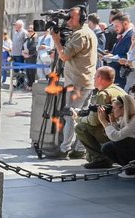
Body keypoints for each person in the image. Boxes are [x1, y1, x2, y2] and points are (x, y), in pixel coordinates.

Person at [46, 6, 97, 160]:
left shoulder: (80, 35)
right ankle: (79, 149)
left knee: (70, 116)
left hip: (77, 82)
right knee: (81, 117)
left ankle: (64, 149)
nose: (68, 20)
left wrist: (56, 40)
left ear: (81, 18)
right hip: (85, 81)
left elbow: (64, 56)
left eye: (71, 17)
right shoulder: (87, 33)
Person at [75, 66, 126, 169]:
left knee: (80, 127)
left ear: (99, 78)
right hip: (125, 131)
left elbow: (95, 121)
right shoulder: (118, 89)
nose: (93, 79)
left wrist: (77, 118)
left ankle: (101, 159)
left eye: (94, 77)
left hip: (118, 133)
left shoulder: (103, 94)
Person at [98, 94, 135, 178]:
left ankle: (132, 171)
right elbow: (118, 134)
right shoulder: (125, 117)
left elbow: (117, 137)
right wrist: (113, 121)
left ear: (124, 108)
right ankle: (128, 167)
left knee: (121, 142)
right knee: (107, 147)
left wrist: (104, 122)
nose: (112, 111)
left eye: (114, 108)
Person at [105, 13, 133, 88]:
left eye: (117, 26)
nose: (115, 28)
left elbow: (131, 57)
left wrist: (115, 58)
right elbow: (120, 52)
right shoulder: (122, 36)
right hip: (118, 78)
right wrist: (110, 55)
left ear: (125, 23)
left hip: (125, 80)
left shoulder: (131, 37)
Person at [11, 20, 26, 85]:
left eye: (16, 25)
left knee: (20, 69)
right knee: (15, 69)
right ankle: (17, 82)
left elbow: (26, 43)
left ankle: (20, 83)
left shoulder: (24, 32)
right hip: (14, 54)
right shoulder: (15, 32)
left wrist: (24, 51)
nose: (14, 26)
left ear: (20, 25)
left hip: (20, 54)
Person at [23, 25, 37, 90]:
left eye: (31, 31)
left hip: (32, 58)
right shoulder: (26, 39)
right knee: (27, 72)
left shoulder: (35, 39)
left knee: (32, 72)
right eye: (28, 31)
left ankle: (31, 86)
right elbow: (22, 48)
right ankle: (29, 85)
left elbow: (33, 48)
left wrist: (27, 53)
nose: (29, 32)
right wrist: (23, 53)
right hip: (26, 57)